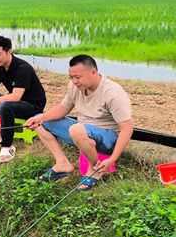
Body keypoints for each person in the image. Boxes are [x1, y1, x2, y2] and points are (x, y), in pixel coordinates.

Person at [26, 55, 133, 191]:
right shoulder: (75, 86)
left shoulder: (113, 93)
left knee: (77, 129)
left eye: (78, 77)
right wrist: (42, 117)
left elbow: (127, 128)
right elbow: (63, 108)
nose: (74, 81)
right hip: (81, 132)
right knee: (39, 121)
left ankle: (96, 169)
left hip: (108, 138)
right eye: (71, 77)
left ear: (93, 72)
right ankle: (62, 164)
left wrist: (112, 159)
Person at [0, 36, 47, 163]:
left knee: (5, 105)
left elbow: (16, 96)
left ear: (8, 51)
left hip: (32, 106)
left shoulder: (22, 68)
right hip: (14, 104)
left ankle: (7, 146)